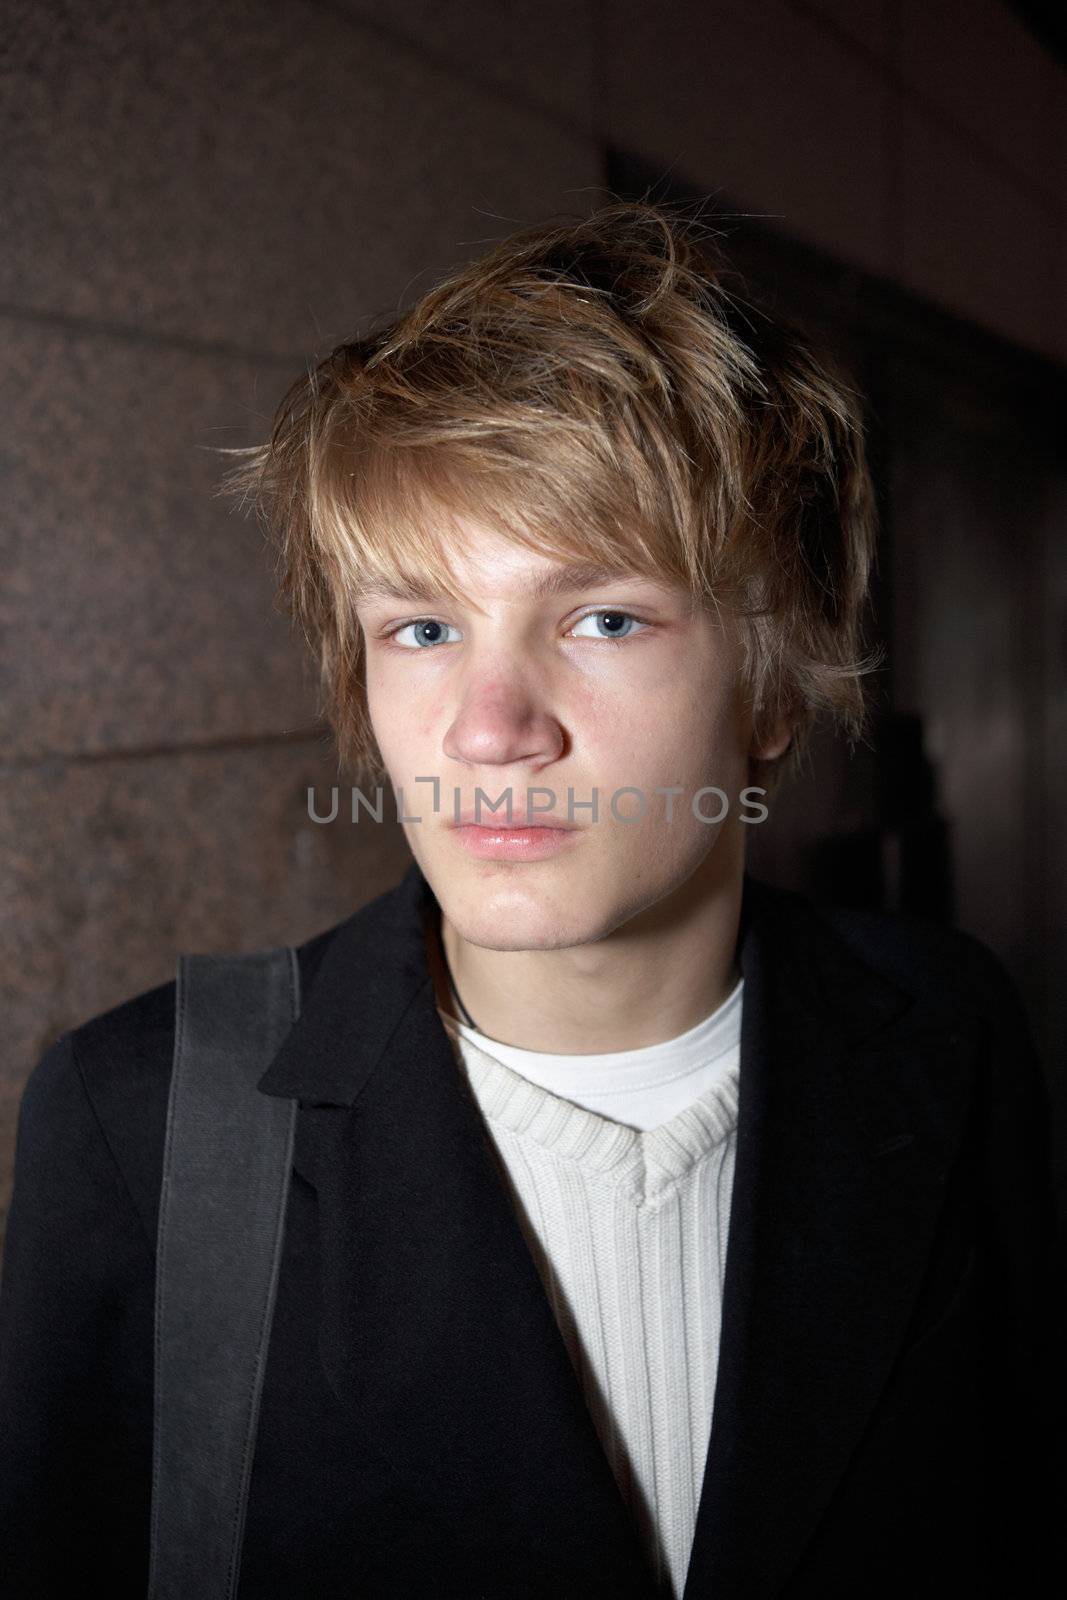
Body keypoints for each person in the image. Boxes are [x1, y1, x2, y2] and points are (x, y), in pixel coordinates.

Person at [0, 201, 1060, 1599]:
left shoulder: (949, 1028)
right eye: (422, 629)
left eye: (602, 618)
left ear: (769, 688)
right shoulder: (147, 1123)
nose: (491, 728)